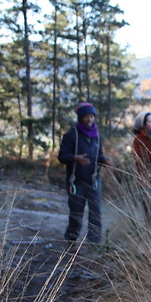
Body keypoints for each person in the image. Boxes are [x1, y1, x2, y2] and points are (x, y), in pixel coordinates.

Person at [58, 102, 111, 245]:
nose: (90, 120)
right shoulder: (71, 135)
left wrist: (104, 160)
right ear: (80, 118)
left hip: (94, 180)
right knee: (76, 213)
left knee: (96, 213)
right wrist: (75, 158)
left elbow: (98, 156)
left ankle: (94, 244)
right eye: (86, 117)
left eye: (92, 116)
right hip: (76, 182)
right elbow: (62, 157)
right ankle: (71, 240)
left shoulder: (97, 136)